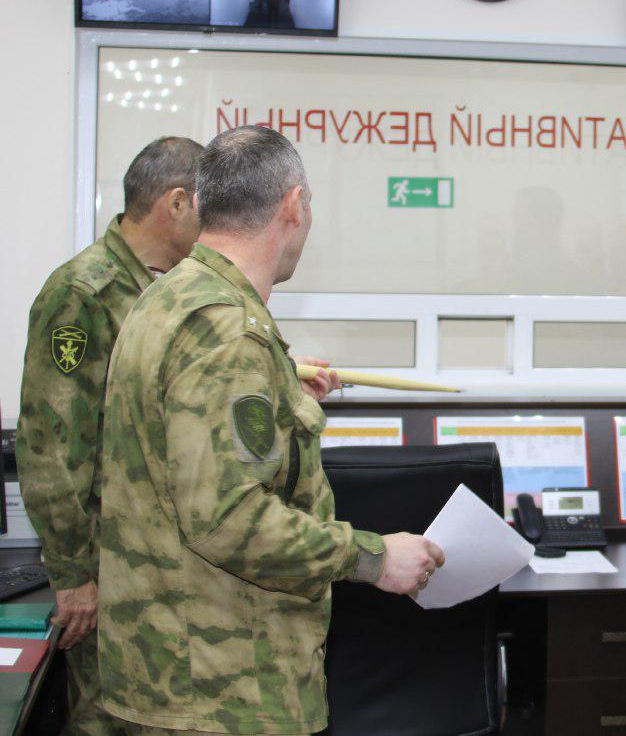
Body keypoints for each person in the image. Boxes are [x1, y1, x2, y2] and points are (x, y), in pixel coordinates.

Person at [97, 126, 443, 733]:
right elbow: (229, 519)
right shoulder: (228, 332)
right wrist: (375, 558)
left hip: (167, 671)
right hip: (223, 689)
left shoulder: (168, 298)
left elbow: (180, 448)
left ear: (202, 202)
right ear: (293, 205)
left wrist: (282, 394)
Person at [15, 136, 204, 735]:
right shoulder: (83, 293)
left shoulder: (170, 289)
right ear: (176, 203)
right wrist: (73, 575)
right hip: (108, 566)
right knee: (108, 717)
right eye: (208, 206)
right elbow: (51, 445)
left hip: (163, 564)